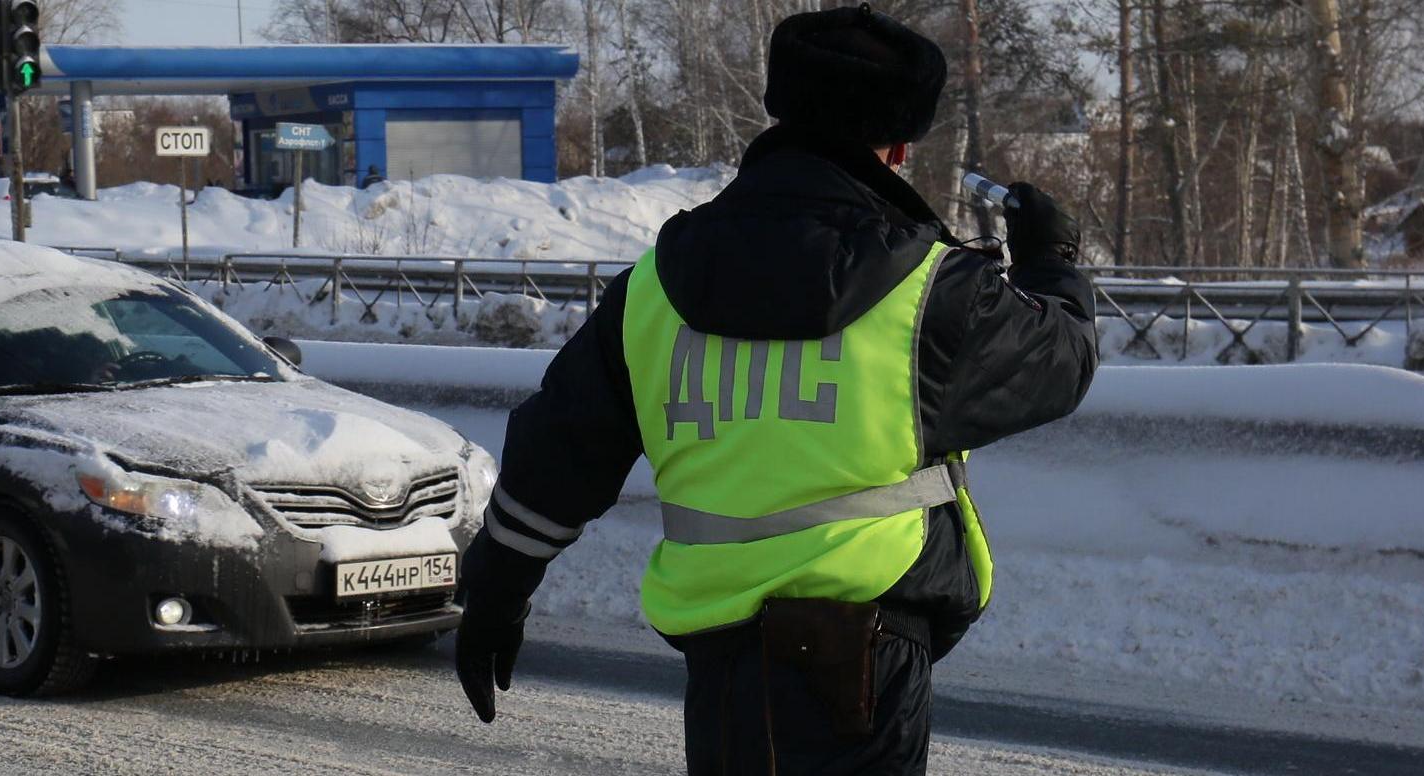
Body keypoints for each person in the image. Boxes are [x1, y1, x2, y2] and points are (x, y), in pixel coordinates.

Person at [452, 5, 1098, 774]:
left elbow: (557, 456)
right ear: (895, 146)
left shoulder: (654, 288)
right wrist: (1051, 259)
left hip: (722, 669)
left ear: (781, 113)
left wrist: (495, 592)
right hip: (868, 661)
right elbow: (1064, 362)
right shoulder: (934, 294)